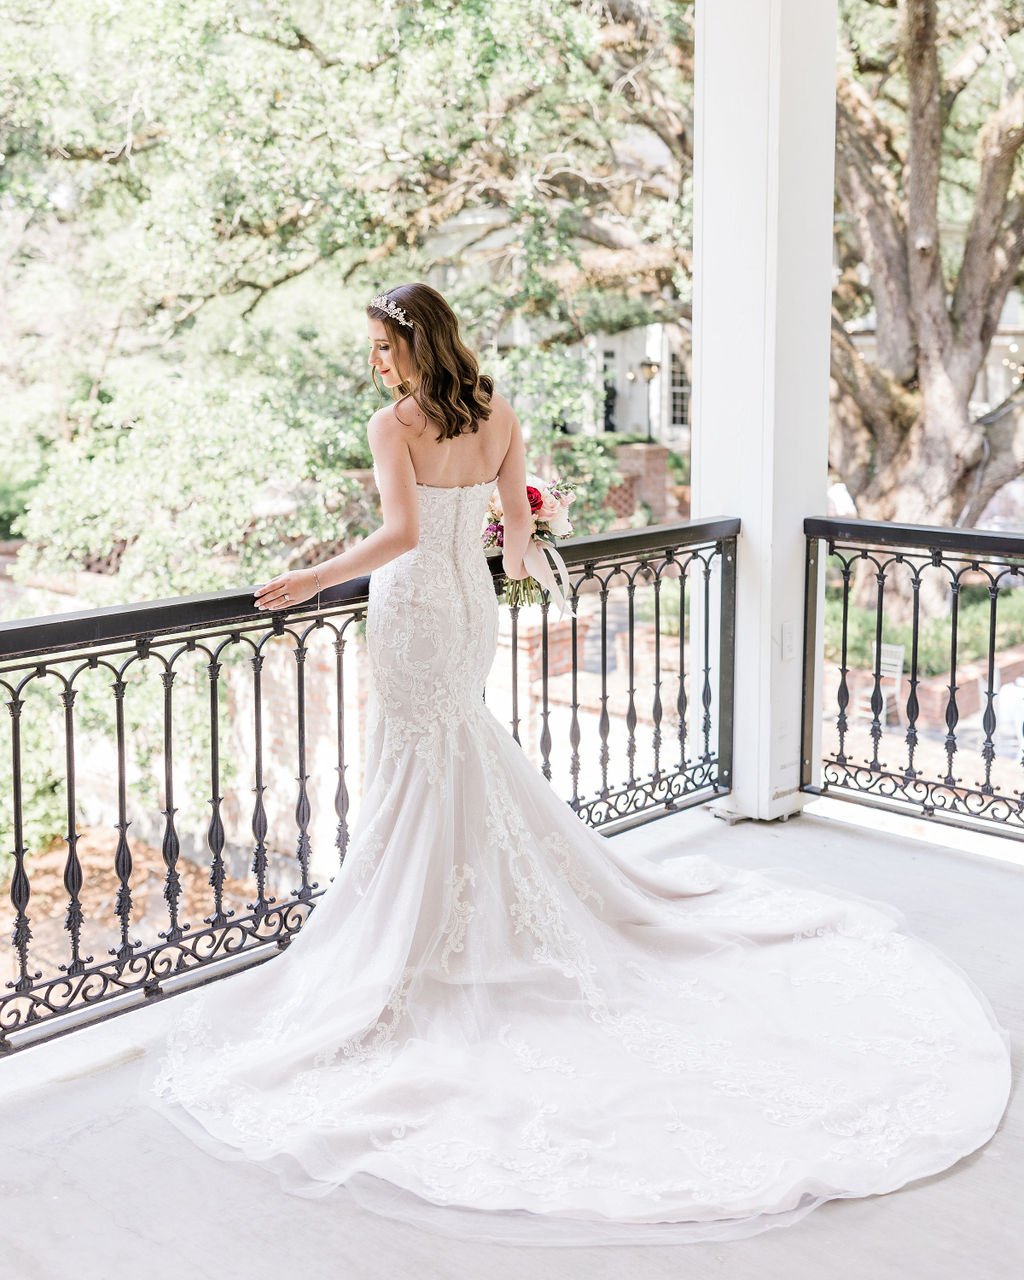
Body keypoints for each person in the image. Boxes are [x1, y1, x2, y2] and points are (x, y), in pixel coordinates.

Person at [132, 283, 1011, 1246]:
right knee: (457, 748)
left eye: (382, 346)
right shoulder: (497, 409)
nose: (376, 364)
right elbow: (510, 540)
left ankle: (421, 928)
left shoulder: (396, 425)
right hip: (467, 612)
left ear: (411, 345)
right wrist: (510, 543)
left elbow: (402, 535)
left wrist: (310, 576)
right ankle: (471, 908)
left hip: (411, 607)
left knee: (421, 758)